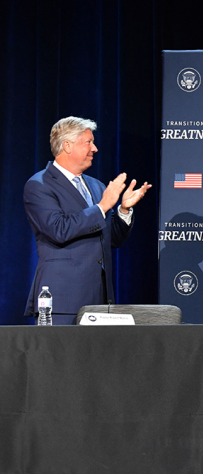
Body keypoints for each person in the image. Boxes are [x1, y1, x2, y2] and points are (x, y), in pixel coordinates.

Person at [23, 117, 152, 324]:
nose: (95, 148)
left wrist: (124, 210)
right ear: (67, 146)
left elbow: (112, 239)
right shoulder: (40, 185)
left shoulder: (97, 186)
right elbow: (59, 230)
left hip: (100, 302)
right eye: (88, 142)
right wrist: (102, 207)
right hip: (62, 302)